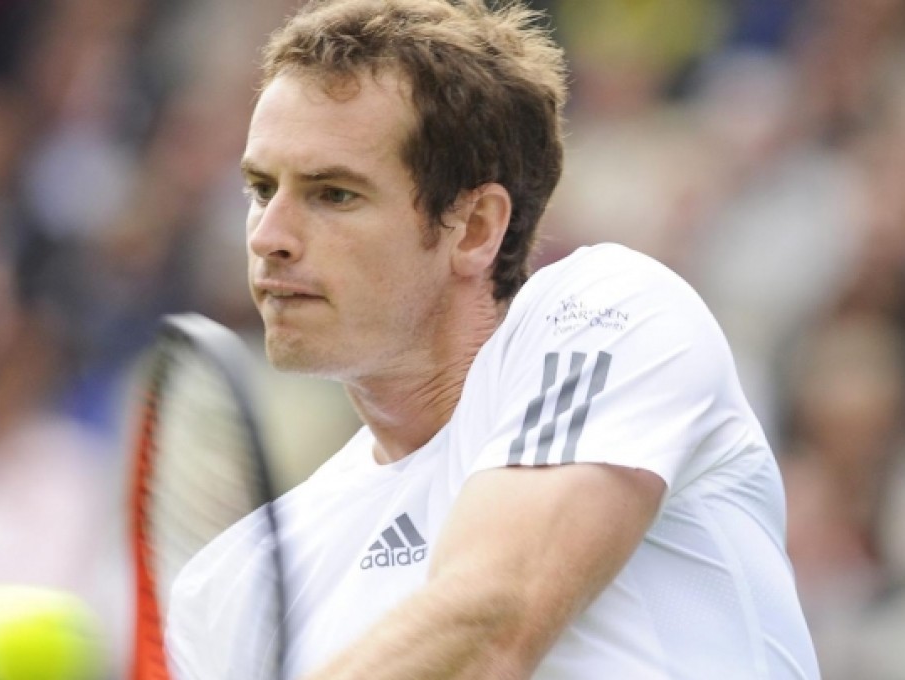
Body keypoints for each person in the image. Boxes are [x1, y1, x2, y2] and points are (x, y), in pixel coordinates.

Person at [167, 1, 820, 678]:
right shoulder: (230, 589)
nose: (268, 236)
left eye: (334, 194)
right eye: (260, 187)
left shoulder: (612, 313)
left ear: (476, 227)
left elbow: (490, 622)